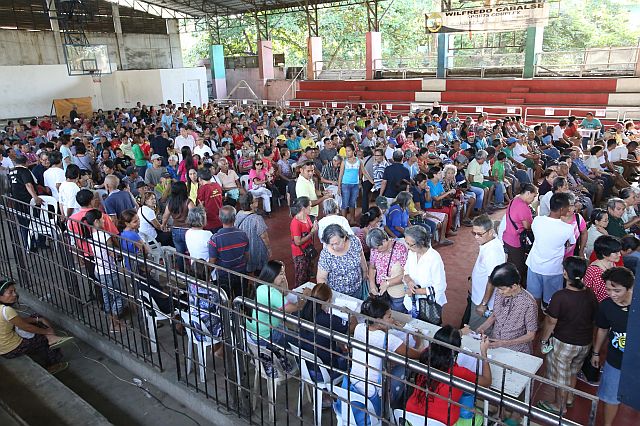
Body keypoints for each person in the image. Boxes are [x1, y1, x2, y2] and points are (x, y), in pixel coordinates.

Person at [340, 297, 421, 425]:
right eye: (389, 317)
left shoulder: (359, 328)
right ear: (378, 321)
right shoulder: (386, 338)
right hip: (373, 393)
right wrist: (418, 341)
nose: (392, 319)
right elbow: (415, 355)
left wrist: (387, 325)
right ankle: (391, 408)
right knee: (404, 367)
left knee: (389, 364)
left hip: (353, 383)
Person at [537, 256, 598, 415]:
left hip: (564, 343)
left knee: (560, 378)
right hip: (584, 343)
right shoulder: (589, 293)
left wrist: (544, 340)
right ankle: (569, 398)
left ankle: (559, 405)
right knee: (572, 371)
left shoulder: (560, 297)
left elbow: (551, 322)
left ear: (565, 273)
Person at [406, 326, 492, 426]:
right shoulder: (459, 372)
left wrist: (459, 332)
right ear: (456, 350)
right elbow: (486, 382)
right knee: (478, 417)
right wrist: (484, 353)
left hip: (411, 418)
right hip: (441, 422)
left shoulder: (425, 357)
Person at [589, 266, 635, 426]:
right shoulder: (606, 306)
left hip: (636, 364)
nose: (612, 294)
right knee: (610, 397)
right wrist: (595, 352)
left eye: (617, 290)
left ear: (630, 288)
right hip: (615, 361)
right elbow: (602, 329)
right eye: (609, 290)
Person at [247, 260, 306, 376]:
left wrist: (284, 281)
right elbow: (293, 308)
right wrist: (305, 298)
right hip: (267, 336)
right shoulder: (271, 292)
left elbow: (285, 293)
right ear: (272, 275)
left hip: (254, 334)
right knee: (301, 341)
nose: (284, 277)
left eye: (284, 273)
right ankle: (303, 368)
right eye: (281, 274)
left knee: (287, 329)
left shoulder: (261, 286)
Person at [0, 279, 73, 373]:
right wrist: (46, 332)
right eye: (10, 292)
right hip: (10, 349)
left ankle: (52, 338)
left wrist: (37, 319)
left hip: (2, 347)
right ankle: (53, 364)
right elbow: (26, 327)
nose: (14, 294)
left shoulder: (4, 310)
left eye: (14, 291)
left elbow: (17, 321)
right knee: (41, 338)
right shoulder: (6, 310)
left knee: (36, 318)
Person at [471, 263, 537, 354]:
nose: (499, 292)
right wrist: (482, 328)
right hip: (495, 342)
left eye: (502, 289)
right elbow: (495, 314)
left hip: (516, 350)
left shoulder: (529, 303)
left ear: (514, 286)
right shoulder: (501, 292)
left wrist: (504, 343)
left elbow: (530, 335)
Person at [526, 192, 576, 306]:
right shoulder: (567, 228)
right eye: (568, 208)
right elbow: (572, 243)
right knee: (551, 299)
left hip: (534, 265)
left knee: (534, 297)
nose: (569, 210)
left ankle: (536, 319)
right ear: (562, 209)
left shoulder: (537, 221)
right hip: (553, 269)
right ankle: (548, 319)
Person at [297, 282, 354, 379]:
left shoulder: (303, 312)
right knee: (351, 357)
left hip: (304, 365)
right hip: (324, 371)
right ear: (328, 301)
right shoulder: (329, 319)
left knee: (339, 347)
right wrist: (351, 314)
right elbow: (352, 328)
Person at [468, 214, 505, 330]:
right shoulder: (488, 243)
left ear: (490, 232)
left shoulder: (492, 252)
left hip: (482, 302)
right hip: (478, 296)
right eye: (474, 233)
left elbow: (492, 279)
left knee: (477, 332)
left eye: (480, 234)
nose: (476, 237)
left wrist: (483, 304)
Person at [403, 225, 447, 321]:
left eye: (411, 245)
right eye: (406, 243)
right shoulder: (412, 253)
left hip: (428, 304)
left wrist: (415, 291)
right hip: (412, 301)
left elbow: (440, 286)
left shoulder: (434, 258)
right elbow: (406, 272)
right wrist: (409, 281)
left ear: (422, 243)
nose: (408, 247)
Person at [208, 206, 250, 299]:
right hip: (241, 273)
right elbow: (247, 256)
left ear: (220, 218)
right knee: (242, 299)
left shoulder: (215, 239)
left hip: (224, 275)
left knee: (225, 300)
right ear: (234, 218)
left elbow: (212, 261)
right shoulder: (243, 234)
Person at [317, 224, 367, 299]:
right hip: (336, 294)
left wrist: (365, 271)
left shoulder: (354, 241)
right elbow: (321, 278)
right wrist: (326, 296)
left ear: (344, 237)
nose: (334, 247)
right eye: (331, 244)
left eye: (336, 243)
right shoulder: (326, 254)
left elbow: (361, 256)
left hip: (357, 289)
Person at [366, 228, 408, 312]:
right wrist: (372, 284)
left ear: (385, 240)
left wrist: (388, 283)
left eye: (378, 247)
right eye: (374, 248)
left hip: (397, 291)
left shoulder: (400, 249)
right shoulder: (374, 249)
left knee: (398, 315)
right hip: (381, 290)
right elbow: (372, 267)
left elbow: (406, 274)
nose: (376, 250)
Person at [161, 181, 195, 271]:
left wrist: (163, 225)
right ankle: (193, 273)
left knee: (180, 254)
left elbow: (165, 216)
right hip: (188, 231)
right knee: (192, 253)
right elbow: (194, 216)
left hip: (175, 230)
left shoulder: (170, 202)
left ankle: (182, 274)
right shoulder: (188, 202)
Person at [235, 193, 270, 274]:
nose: (257, 202)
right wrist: (268, 249)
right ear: (251, 205)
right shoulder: (257, 219)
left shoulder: (239, 214)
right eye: (255, 201)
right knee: (260, 272)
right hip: (257, 249)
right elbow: (264, 236)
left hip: (244, 249)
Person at [338, 144, 370, 225]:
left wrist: (371, 180)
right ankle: (344, 221)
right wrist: (339, 187)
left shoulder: (359, 161)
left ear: (353, 151)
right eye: (346, 151)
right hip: (345, 184)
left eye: (348, 151)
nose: (347, 153)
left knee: (352, 203)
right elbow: (340, 175)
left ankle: (352, 220)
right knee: (345, 203)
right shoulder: (344, 162)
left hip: (355, 185)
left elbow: (364, 171)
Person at [584, 236, 622, 302]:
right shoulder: (593, 271)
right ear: (604, 254)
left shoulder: (612, 263)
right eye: (616, 253)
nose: (619, 255)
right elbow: (589, 297)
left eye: (619, 252)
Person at [290, 196, 317, 288]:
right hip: (300, 253)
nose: (311, 208)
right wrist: (311, 233)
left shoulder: (307, 217)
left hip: (307, 250)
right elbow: (297, 242)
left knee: (307, 274)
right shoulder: (295, 223)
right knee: (300, 277)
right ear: (303, 208)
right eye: (309, 206)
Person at [196, 168, 223, 233]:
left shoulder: (203, 189)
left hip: (209, 223)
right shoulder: (217, 185)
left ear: (199, 178)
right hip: (220, 219)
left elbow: (200, 206)